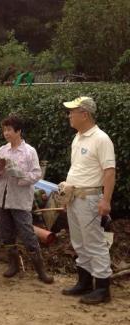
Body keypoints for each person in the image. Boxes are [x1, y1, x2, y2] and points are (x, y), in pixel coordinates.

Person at [62, 97, 116, 304]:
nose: (69, 115)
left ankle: (103, 289)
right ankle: (84, 282)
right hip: (75, 197)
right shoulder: (78, 137)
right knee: (79, 242)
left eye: (72, 112)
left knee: (94, 243)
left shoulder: (101, 139)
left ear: (84, 114)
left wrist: (106, 200)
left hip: (90, 198)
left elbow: (109, 172)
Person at [0, 115, 54, 284]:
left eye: (9, 130)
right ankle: (13, 265)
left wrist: (19, 176)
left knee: (27, 233)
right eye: (4, 130)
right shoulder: (1, 151)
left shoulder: (29, 151)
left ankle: (41, 270)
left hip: (19, 199)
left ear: (18, 131)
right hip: (0, 199)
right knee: (6, 233)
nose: (6, 133)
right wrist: (1, 168)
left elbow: (36, 174)